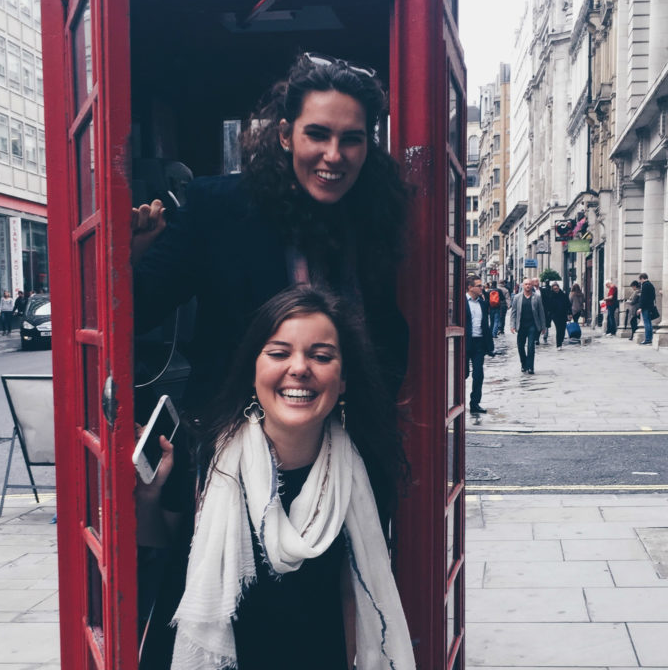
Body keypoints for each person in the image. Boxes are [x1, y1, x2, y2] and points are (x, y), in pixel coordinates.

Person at [131, 54, 410, 667]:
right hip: (232, 455)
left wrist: (369, 411)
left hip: (338, 459)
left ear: (370, 146)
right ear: (284, 134)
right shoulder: (214, 207)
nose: (334, 155)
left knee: (324, 626)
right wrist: (126, 253)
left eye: (352, 139)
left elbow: (390, 332)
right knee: (225, 611)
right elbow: (135, 308)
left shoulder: (372, 219)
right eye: (317, 133)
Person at [141, 287, 414, 670]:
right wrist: (149, 497)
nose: (299, 368)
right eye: (279, 353)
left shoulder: (362, 468)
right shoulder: (201, 448)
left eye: (321, 356)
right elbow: (162, 547)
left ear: (344, 378)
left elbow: (352, 589)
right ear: (253, 370)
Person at [464, 275, 494, 421]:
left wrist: (490, 346)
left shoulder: (482, 303)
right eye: (479, 285)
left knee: (478, 375)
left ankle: (475, 403)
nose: (482, 288)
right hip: (464, 343)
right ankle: (457, 402)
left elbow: (485, 325)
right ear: (470, 287)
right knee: (462, 374)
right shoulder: (461, 302)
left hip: (479, 343)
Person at [511, 278, 546, 374]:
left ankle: (530, 367)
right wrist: (512, 325)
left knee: (531, 346)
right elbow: (513, 312)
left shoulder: (537, 297)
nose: (528, 286)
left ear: (532, 285)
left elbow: (541, 312)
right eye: (526, 284)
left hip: (532, 325)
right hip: (521, 325)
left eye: (529, 284)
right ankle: (524, 364)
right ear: (523, 285)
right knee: (520, 346)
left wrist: (543, 327)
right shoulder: (517, 297)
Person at [545, 282, 570, 350]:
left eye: (557, 288)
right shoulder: (551, 296)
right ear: (552, 289)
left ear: (559, 288)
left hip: (563, 314)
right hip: (555, 315)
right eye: (554, 289)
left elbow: (568, 304)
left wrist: (569, 313)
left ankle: (561, 341)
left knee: (563, 329)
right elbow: (549, 306)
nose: (556, 290)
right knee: (558, 329)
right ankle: (558, 344)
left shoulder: (563, 295)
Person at [636, 273, 657, 345]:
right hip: (650, 306)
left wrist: (640, 307)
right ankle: (649, 339)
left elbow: (643, 298)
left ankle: (648, 339)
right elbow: (653, 297)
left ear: (642, 278)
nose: (640, 281)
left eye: (640, 280)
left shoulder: (645, 285)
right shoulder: (651, 285)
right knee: (649, 323)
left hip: (645, 307)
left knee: (646, 323)